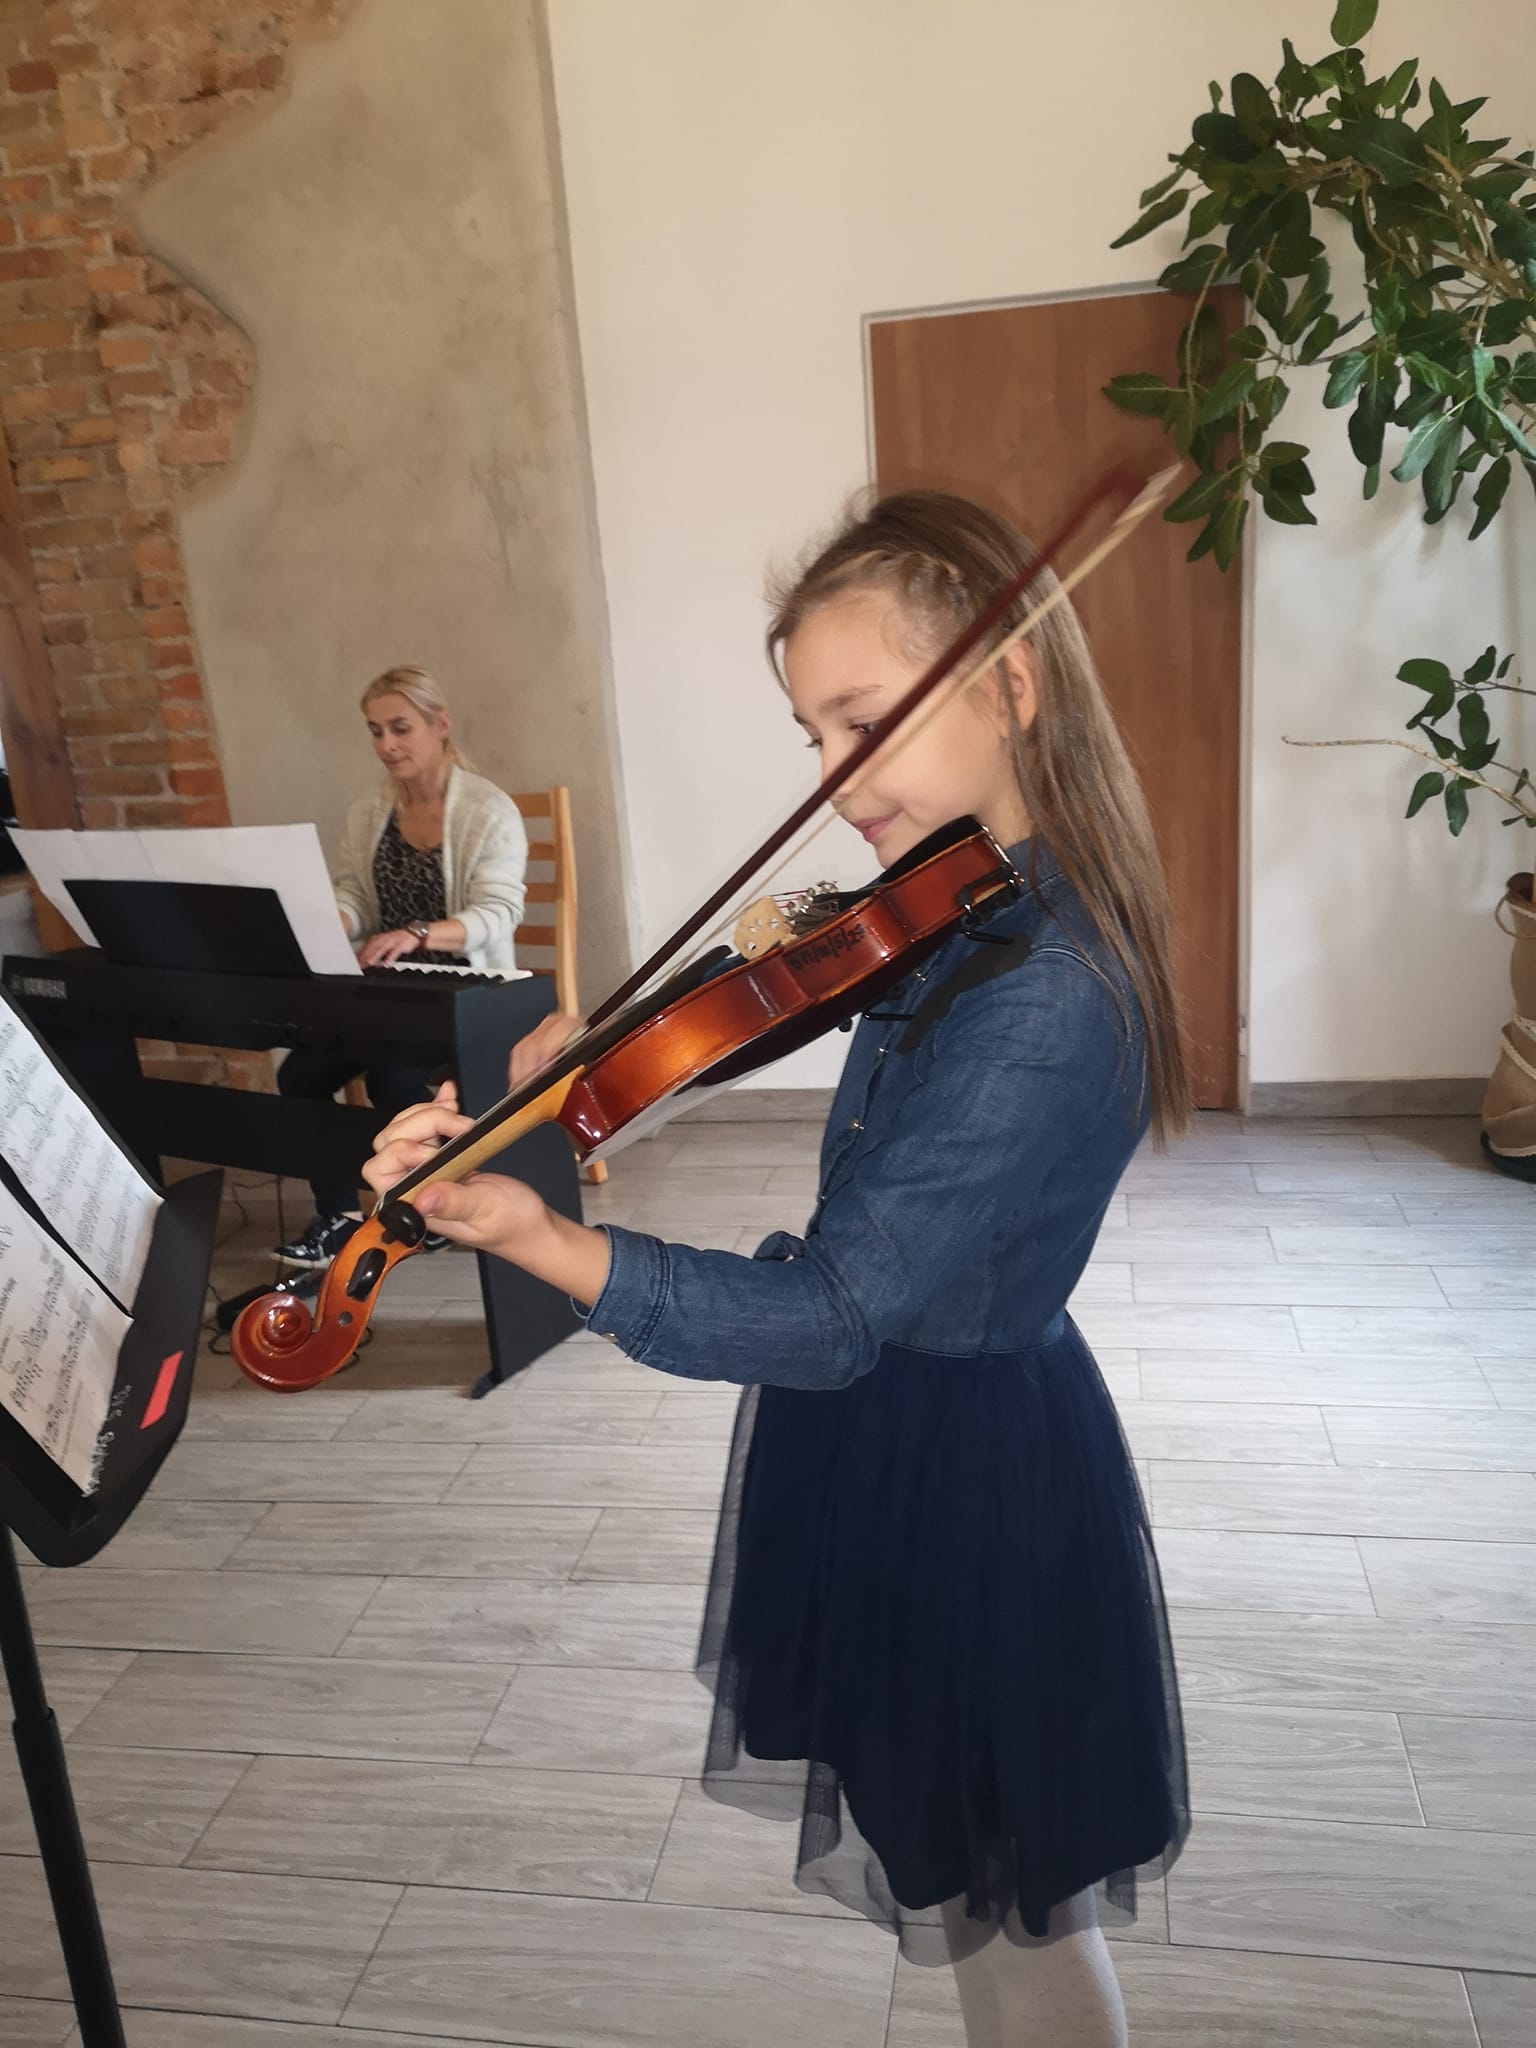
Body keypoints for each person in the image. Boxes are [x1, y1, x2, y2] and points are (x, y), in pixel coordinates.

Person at [363, 494, 1189, 2048]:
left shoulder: (1048, 992)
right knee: (969, 1878)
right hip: (902, 1436)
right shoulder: (969, 896)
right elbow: (765, 999)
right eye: (813, 734)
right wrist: (571, 1077)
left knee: (1010, 1899)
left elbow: (830, 1312)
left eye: (866, 721)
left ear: (1014, 685)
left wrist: (546, 1241)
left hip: (961, 1470)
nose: (834, 777)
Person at [273, 663, 528, 1269]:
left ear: (440, 724)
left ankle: (426, 1210)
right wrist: (335, 919)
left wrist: (417, 935)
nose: (387, 744)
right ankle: (338, 1219)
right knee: (301, 1074)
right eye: (375, 731)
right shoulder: (369, 811)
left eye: (400, 728)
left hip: (465, 990)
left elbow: (498, 913)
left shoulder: (488, 809)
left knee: (393, 1081)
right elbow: (356, 896)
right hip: (385, 989)